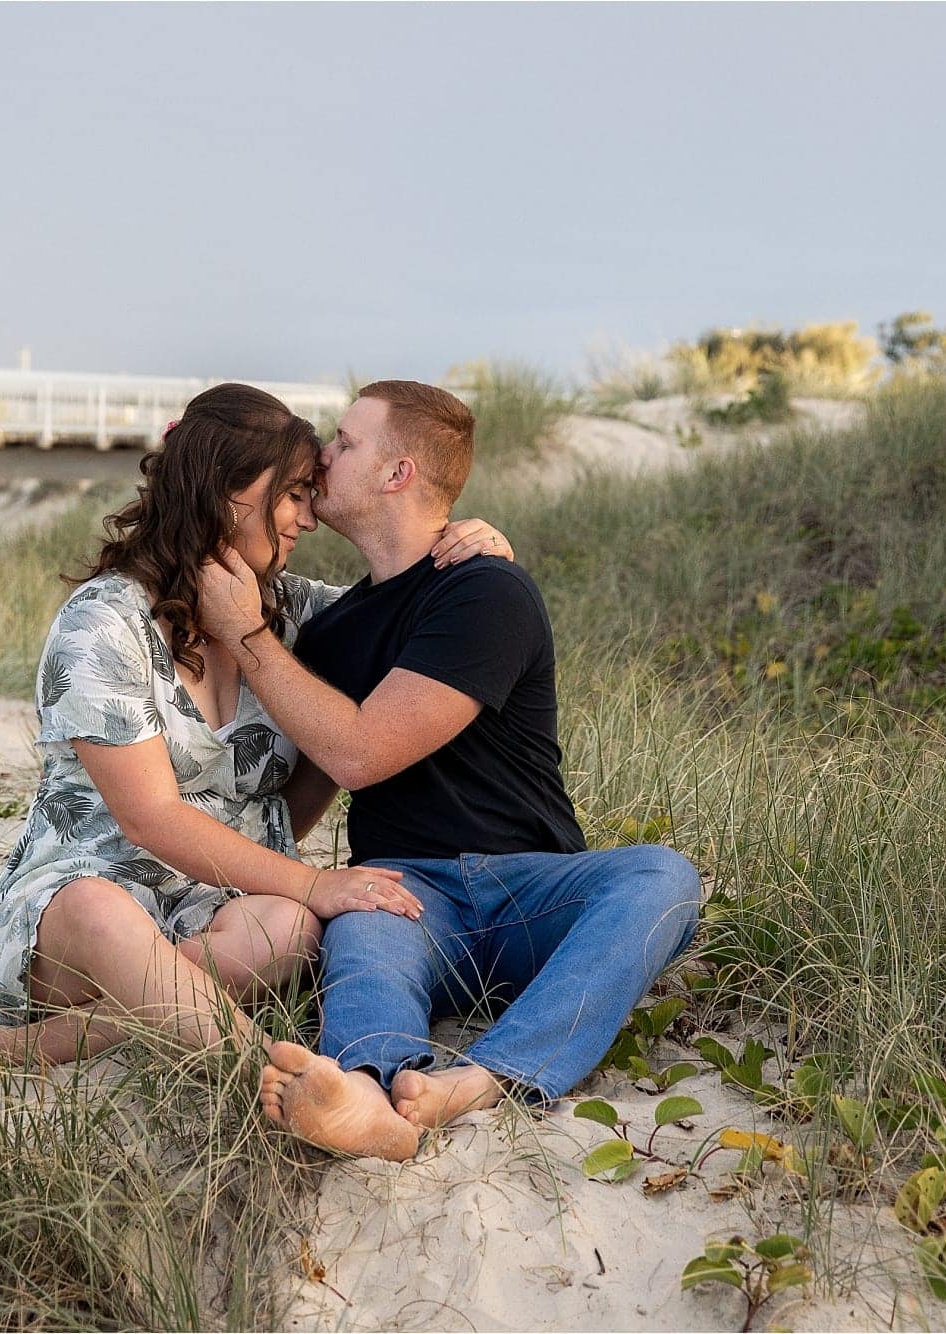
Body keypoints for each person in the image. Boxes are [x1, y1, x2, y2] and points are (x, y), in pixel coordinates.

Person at [0, 384, 511, 1082]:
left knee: (290, 931)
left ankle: (51, 1044)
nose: (307, 518)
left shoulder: (294, 615)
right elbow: (150, 818)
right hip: (80, 914)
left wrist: (472, 540)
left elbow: (408, 606)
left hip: (215, 912)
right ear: (228, 495)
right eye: (292, 494)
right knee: (108, 915)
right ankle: (272, 1079)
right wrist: (314, 881)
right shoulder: (103, 623)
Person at [196, 380, 702, 1162]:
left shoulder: (485, 592)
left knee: (661, 878)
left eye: (344, 441)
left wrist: (247, 638)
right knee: (362, 924)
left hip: (530, 891)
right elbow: (311, 788)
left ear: (398, 473)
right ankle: (368, 1095)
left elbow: (363, 749)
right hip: (406, 893)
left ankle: (485, 1078)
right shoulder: (330, 632)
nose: (322, 455)